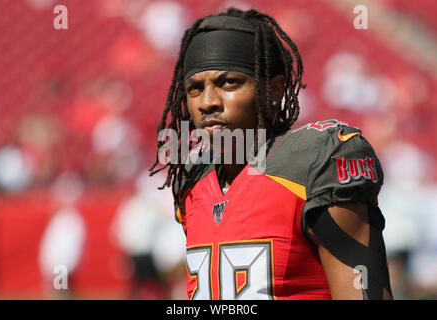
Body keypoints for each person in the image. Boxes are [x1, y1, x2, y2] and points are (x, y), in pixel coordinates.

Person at [149, 8, 393, 300]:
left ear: (273, 89)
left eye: (229, 83)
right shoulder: (193, 177)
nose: (209, 102)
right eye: (195, 89)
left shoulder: (312, 163)